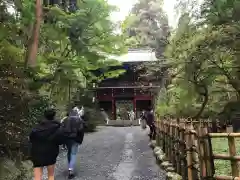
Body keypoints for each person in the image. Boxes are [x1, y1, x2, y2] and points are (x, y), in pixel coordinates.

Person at [29, 108, 61, 180]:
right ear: (54, 116)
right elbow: (60, 140)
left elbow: (31, 139)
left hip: (37, 152)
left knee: (37, 177)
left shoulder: (37, 127)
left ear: (44, 115)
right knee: (51, 175)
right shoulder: (57, 127)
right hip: (51, 152)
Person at [62, 107, 85, 179]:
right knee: (73, 153)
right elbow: (81, 129)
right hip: (75, 139)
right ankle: (70, 170)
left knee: (69, 152)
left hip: (67, 139)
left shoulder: (65, 119)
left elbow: (61, 129)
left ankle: (69, 166)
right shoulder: (79, 119)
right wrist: (80, 139)